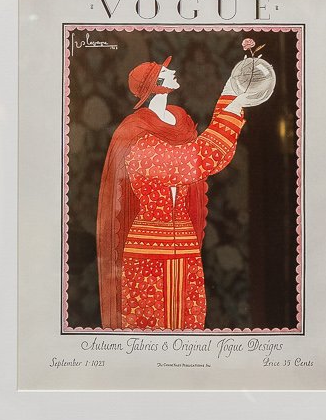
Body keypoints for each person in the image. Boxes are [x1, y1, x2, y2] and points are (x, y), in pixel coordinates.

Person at [92, 40, 277, 332]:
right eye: (165, 72)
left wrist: (232, 94)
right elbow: (197, 160)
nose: (173, 71)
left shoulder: (179, 122)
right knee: (151, 324)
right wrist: (233, 103)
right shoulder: (137, 136)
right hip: (150, 244)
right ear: (155, 86)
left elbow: (201, 157)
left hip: (184, 240)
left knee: (188, 320)